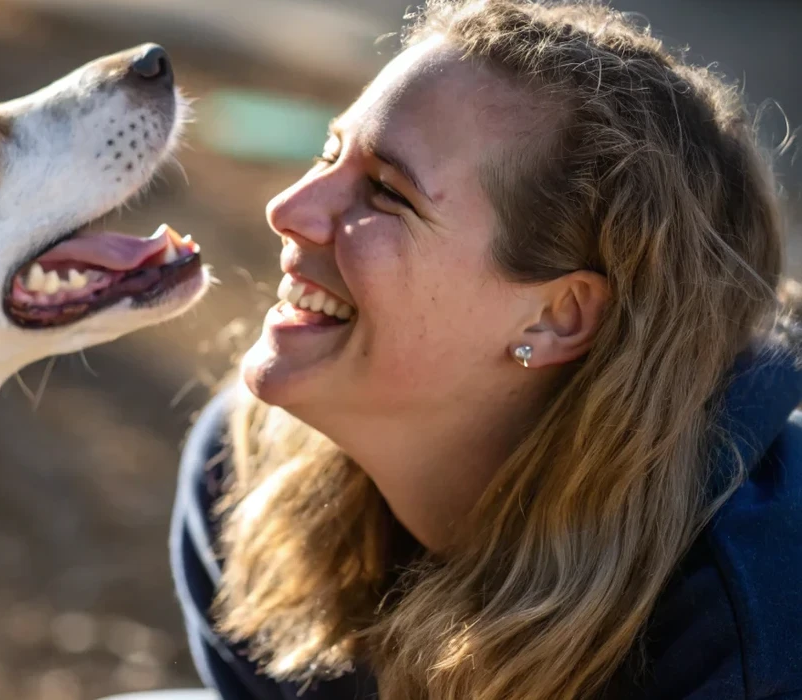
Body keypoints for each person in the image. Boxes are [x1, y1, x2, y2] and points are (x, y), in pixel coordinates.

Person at [168, 1, 802, 699]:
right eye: (327, 153)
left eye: (385, 192)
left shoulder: (751, 622)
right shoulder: (243, 478)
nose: (288, 209)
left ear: (557, 318)